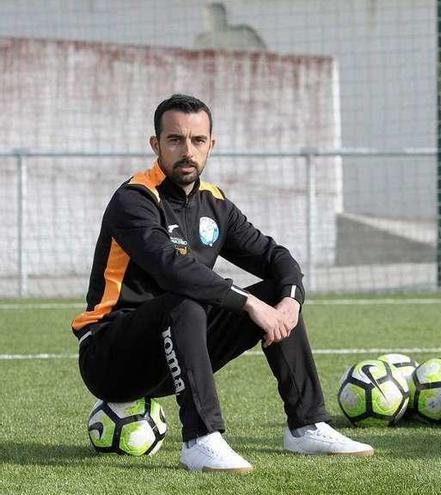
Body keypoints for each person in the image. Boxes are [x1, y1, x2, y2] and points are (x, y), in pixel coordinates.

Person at [71, 94, 373, 473]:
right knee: (185, 297)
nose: (188, 151)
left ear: (211, 145)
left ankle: (307, 424)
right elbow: (173, 270)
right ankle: (201, 439)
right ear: (156, 144)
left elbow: (276, 257)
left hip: (173, 357)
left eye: (198, 141)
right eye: (175, 140)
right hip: (111, 356)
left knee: (274, 293)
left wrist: (290, 300)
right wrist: (248, 303)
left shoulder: (215, 204)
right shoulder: (134, 200)